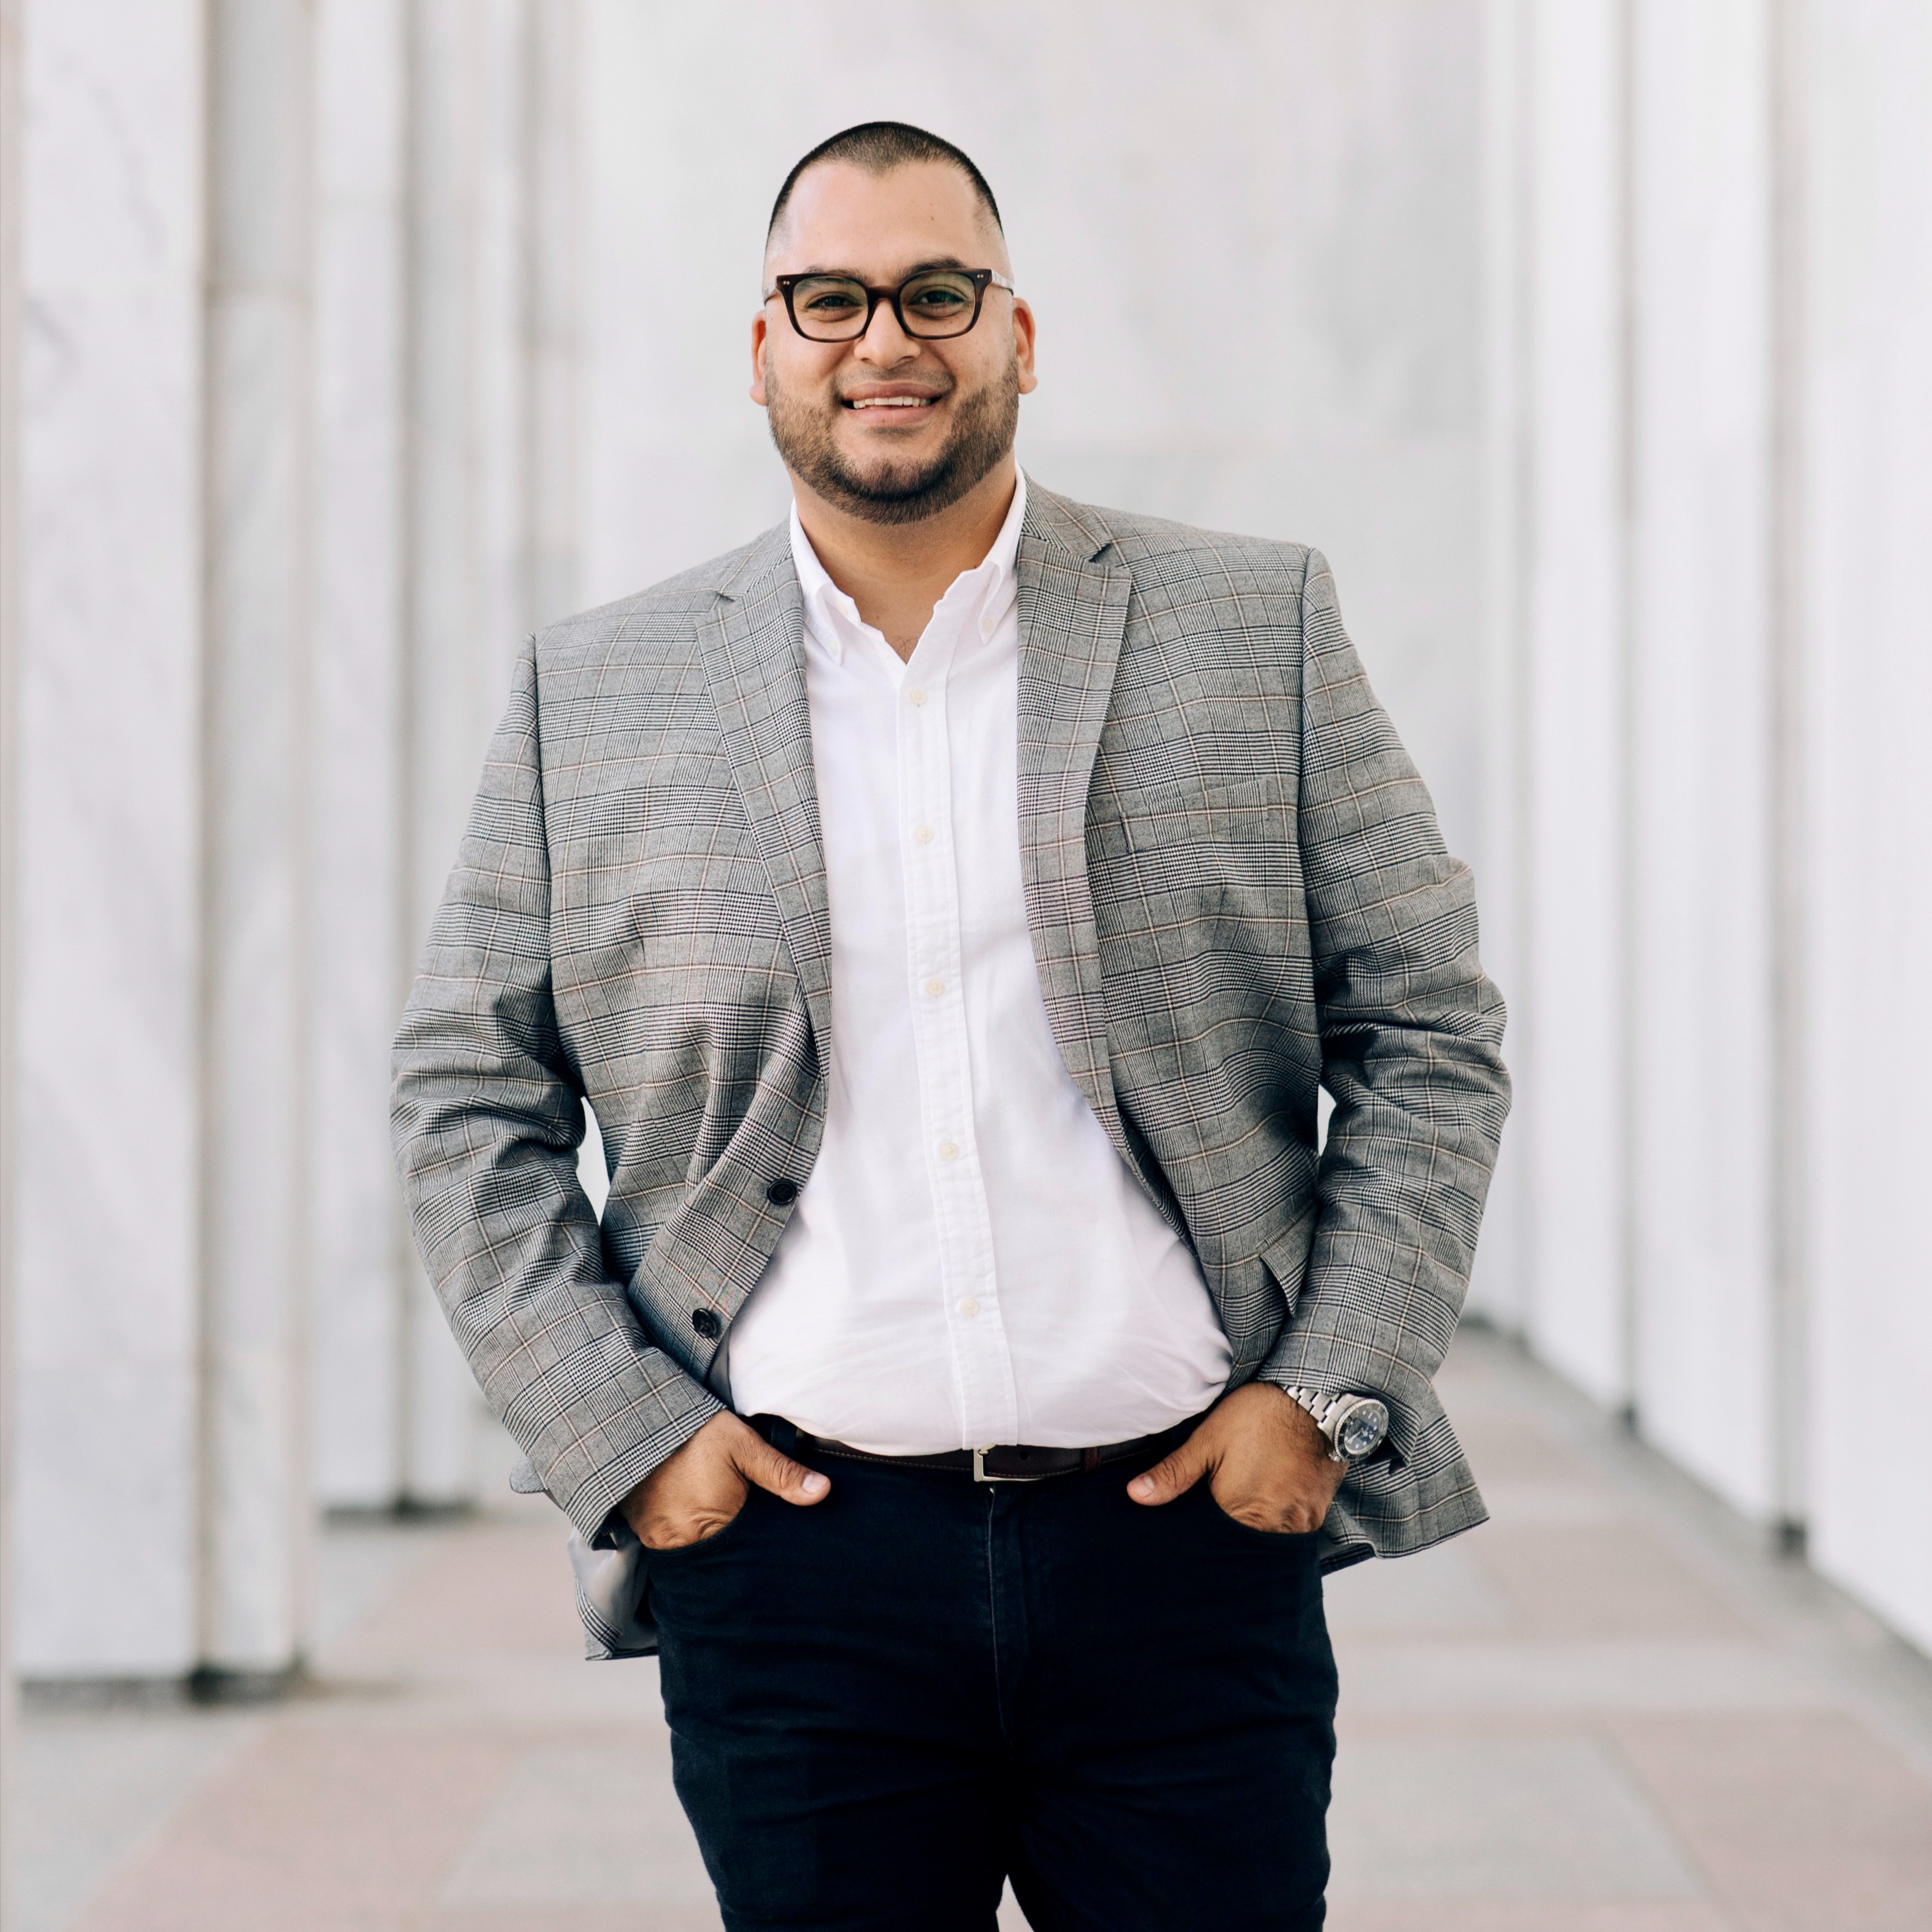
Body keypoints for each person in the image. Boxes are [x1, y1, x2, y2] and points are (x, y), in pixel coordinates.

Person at [393, 119, 1510, 1932]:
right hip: (796, 1579)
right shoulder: (590, 690)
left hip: (1185, 1556)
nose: (883, 341)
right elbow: (466, 1089)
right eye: (828, 298)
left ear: (1021, 332)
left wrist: (1323, 1395)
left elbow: (1429, 1028)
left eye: (935, 293)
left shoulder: (1253, 623)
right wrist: (625, 1437)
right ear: (761, 342)